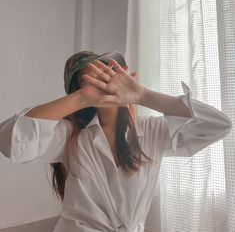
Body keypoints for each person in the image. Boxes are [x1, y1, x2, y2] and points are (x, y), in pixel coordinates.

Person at [0, 50, 232, 232]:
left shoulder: (151, 131)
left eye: (108, 73)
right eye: (92, 80)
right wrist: (81, 98)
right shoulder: (70, 136)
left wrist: (144, 96)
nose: (104, 83)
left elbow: (217, 126)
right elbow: (10, 141)